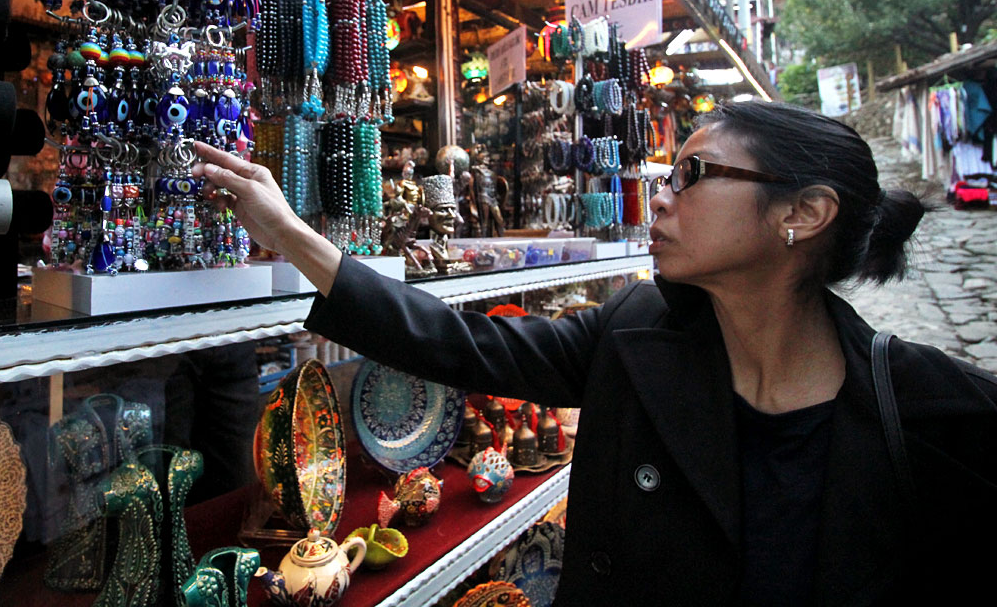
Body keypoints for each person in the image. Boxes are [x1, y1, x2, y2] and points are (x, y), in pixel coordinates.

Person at [194, 101, 997, 606]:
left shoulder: (931, 413)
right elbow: (461, 342)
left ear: (803, 212)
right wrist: (293, 236)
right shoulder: (635, 332)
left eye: (694, 172)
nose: (661, 193)